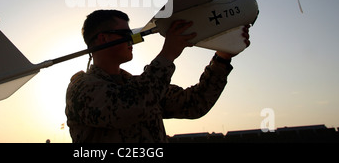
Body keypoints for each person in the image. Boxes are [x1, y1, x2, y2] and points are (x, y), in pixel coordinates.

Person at [65, 9, 250, 142]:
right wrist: (168, 54)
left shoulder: (142, 86)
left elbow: (195, 103)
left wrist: (222, 58)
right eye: (126, 34)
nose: (132, 40)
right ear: (103, 38)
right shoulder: (81, 88)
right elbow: (129, 108)